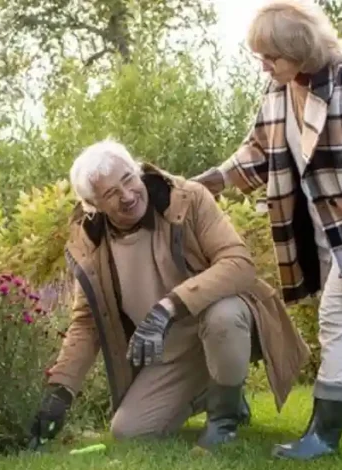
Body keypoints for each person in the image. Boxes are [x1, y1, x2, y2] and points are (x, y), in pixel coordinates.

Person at [190, 0, 342, 460]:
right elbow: (257, 152)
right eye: (260, 57)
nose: (264, 66)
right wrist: (210, 181)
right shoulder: (280, 91)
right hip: (322, 225)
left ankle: (324, 434)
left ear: (299, 47)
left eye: (270, 56)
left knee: (337, 313)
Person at [30, 140, 310, 450]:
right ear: (93, 206)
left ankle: (224, 421)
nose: (127, 195)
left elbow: (238, 264)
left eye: (128, 179)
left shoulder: (189, 198)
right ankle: (215, 387)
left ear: (136, 169)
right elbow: (87, 323)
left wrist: (167, 308)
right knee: (129, 432)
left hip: (223, 322)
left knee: (223, 316)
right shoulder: (91, 244)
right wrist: (60, 390)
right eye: (111, 194)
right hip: (173, 350)